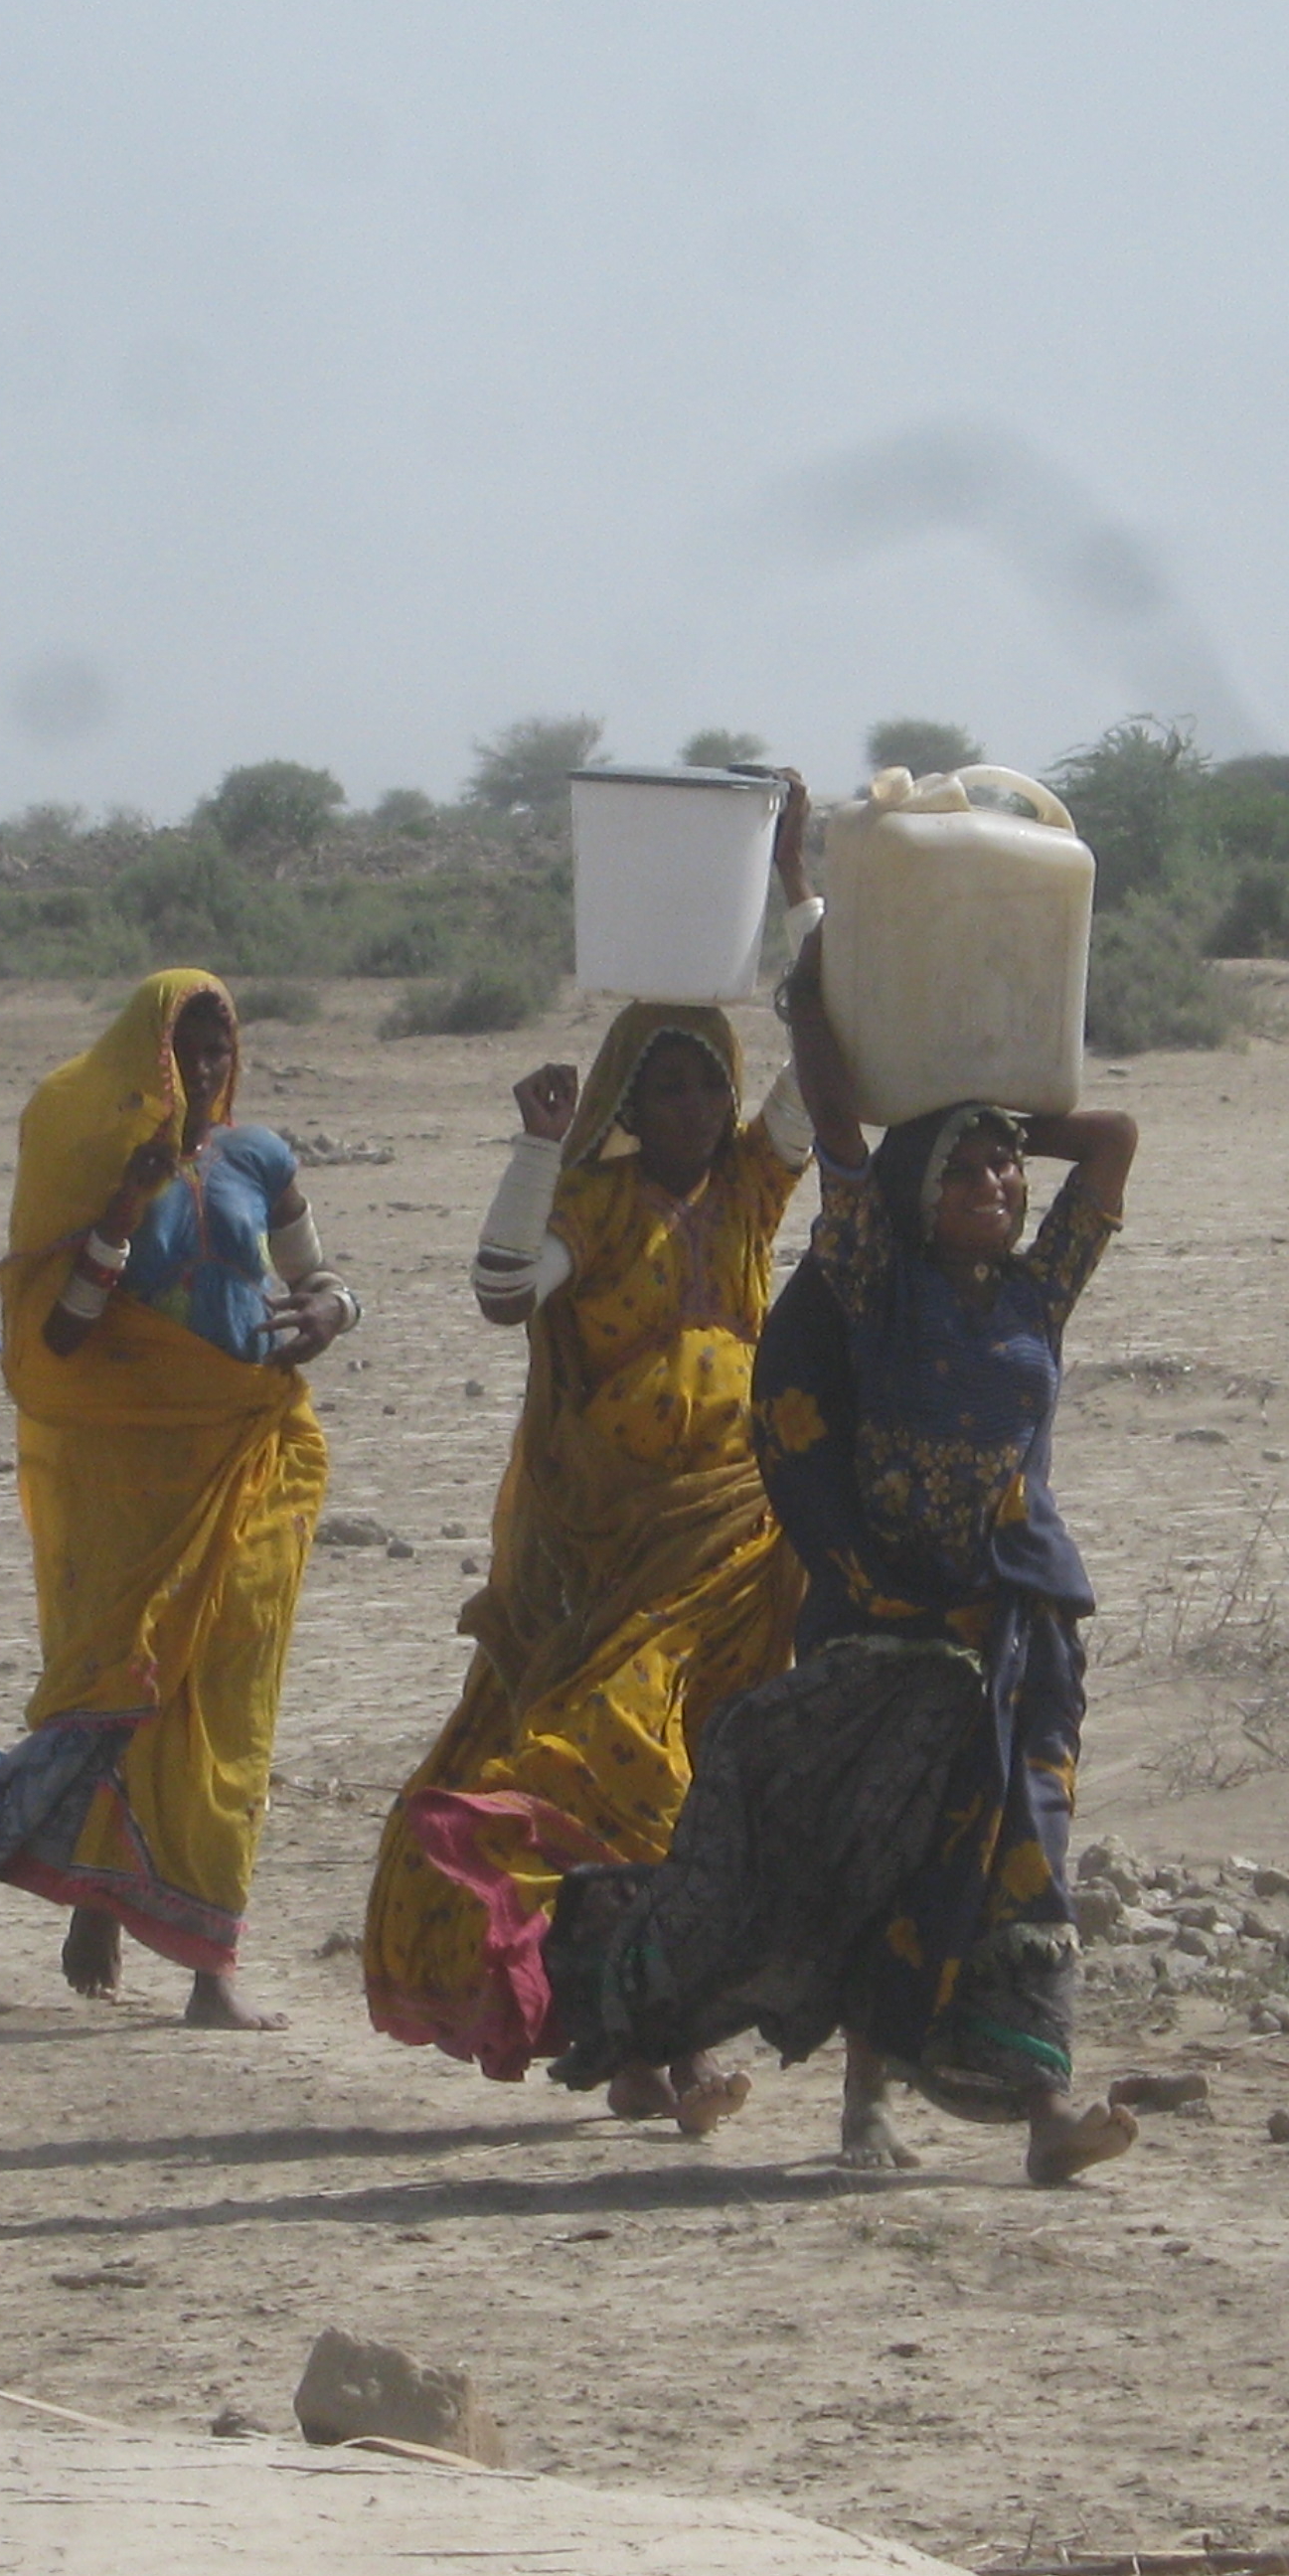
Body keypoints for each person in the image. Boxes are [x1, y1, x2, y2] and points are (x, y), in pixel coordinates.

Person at [533, 912, 1142, 2186]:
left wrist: (989, 1104)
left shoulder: (1040, 1292)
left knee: (1019, 1856)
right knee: (874, 1855)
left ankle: (1043, 2108)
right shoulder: (876, 1277)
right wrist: (820, 1010)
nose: (998, 1189)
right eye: (967, 1175)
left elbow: (1113, 1140)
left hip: (1015, 1624)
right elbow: (844, 1143)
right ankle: (860, 2103)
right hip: (883, 1620)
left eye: (1006, 1178)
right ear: (919, 1196)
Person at [363, 797, 822, 2131]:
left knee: (707, 1780)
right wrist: (535, 1145)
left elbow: (832, 1053)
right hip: (612, 1558)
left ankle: (648, 2058)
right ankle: (650, 2049)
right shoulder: (593, 1205)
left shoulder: (747, 1190)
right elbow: (506, 1290)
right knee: (620, 1768)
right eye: (664, 1082)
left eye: (707, 1080)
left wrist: (796, 884)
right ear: (626, 1095)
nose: (692, 1103)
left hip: (736, 1548)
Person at [0, 970, 349, 2029]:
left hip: (250, 1451)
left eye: (217, 1050)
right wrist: (123, 1208)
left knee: (233, 1701)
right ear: (147, 1062)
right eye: (183, 1052)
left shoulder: (261, 1157)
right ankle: (98, 1903)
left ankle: (214, 1969)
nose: (204, 1070)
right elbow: (64, 1333)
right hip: (128, 1478)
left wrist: (330, 1314)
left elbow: (318, 1279)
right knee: (125, 1685)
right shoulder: (101, 1170)